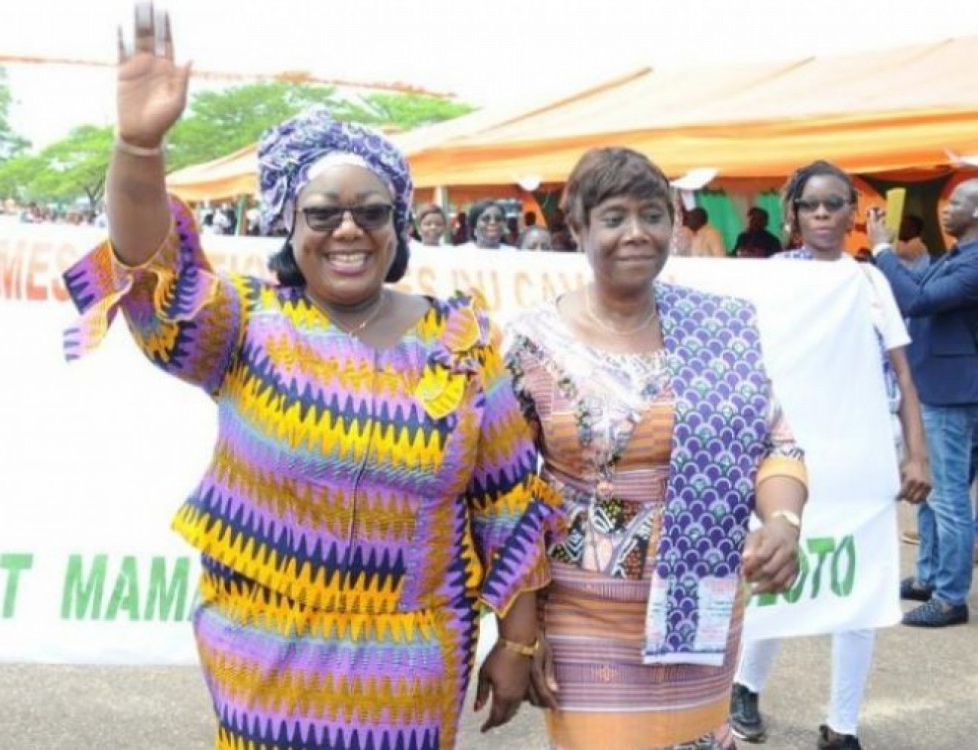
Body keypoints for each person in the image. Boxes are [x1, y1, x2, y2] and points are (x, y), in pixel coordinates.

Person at [61, 6, 559, 747]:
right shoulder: (244, 325)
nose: (348, 229)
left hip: (410, 674)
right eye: (323, 214)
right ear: (288, 227)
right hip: (263, 661)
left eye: (371, 212)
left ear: (398, 226)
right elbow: (152, 268)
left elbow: (507, 501)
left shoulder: (462, 341)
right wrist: (139, 147)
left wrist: (517, 642)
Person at [505, 147, 808, 750]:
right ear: (578, 228)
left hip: (702, 605)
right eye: (614, 217)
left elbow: (777, 443)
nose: (636, 233)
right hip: (583, 614)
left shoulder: (715, 331)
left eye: (652, 215)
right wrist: (518, 633)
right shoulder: (531, 343)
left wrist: (783, 521)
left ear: (674, 224)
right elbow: (506, 498)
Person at [731, 160, 932, 750]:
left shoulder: (869, 283)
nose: (822, 214)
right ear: (793, 216)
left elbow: (903, 373)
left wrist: (917, 455)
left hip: (859, 463)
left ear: (853, 214)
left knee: (859, 591)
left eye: (833, 204)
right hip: (786, 461)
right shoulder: (770, 278)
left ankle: (843, 725)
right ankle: (745, 686)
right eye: (810, 205)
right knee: (777, 575)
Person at [869, 178, 978, 628]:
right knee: (932, 493)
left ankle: (950, 597)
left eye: (956, 202)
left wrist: (881, 250)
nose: (945, 209)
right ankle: (929, 576)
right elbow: (916, 283)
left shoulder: (974, 262)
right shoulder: (957, 255)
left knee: (948, 498)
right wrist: (890, 257)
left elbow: (916, 299)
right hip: (942, 387)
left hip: (951, 393)